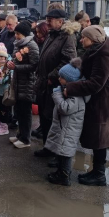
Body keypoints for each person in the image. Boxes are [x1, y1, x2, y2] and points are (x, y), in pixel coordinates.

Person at [65, 25, 109, 186]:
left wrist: (70, 88)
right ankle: (96, 171)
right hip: (95, 101)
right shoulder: (95, 52)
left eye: (84, 37)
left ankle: (99, 174)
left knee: (100, 139)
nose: (81, 40)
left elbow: (96, 84)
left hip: (101, 103)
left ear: (93, 39)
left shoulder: (103, 57)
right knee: (96, 137)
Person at [33, 9, 77, 155]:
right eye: (47, 19)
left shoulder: (66, 37)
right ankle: (47, 147)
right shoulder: (52, 35)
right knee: (45, 118)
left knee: (54, 120)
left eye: (50, 19)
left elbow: (68, 60)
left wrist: (52, 76)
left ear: (60, 21)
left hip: (55, 84)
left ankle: (55, 153)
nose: (47, 22)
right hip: (44, 83)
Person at [45, 58, 89, 186]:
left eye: (62, 77)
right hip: (65, 126)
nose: (59, 79)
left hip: (70, 127)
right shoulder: (68, 90)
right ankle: (60, 171)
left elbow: (65, 108)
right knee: (63, 149)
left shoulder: (75, 94)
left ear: (70, 80)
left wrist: (57, 95)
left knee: (66, 151)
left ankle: (64, 176)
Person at [7, 21, 39, 149]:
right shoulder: (18, 44)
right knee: (19, 110)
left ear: (24, 34)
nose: (15, 36)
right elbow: (15, 60)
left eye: (18, 33)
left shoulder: (32, 45)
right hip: (18, 81)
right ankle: (20, 135)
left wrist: (17, 67)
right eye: (15, 33)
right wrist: (11, 64)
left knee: (25, 113)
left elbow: (34, 66)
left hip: (28, 83)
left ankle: (26, 139)